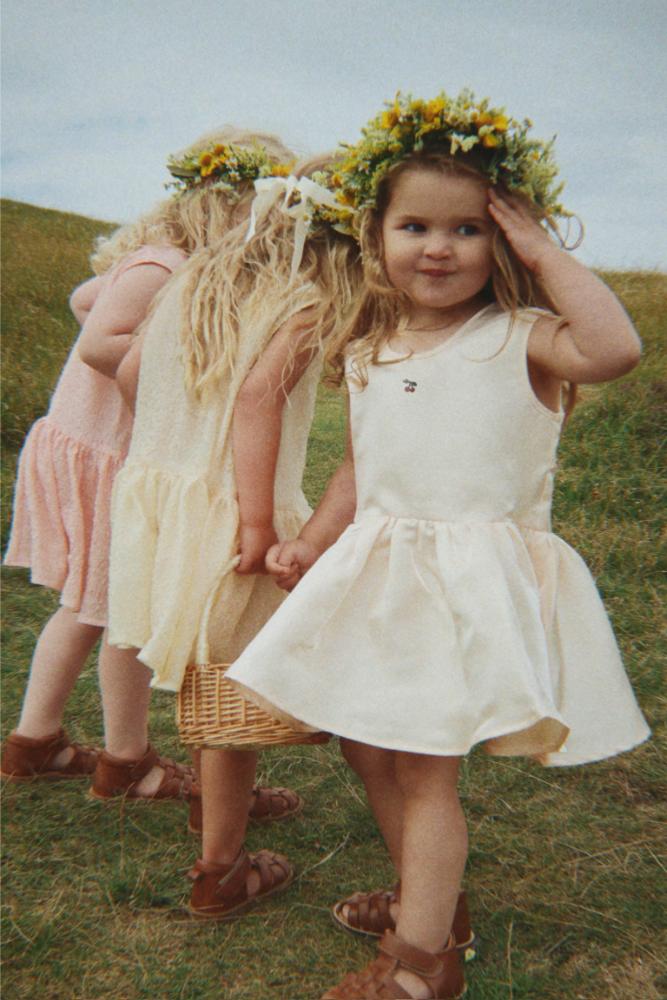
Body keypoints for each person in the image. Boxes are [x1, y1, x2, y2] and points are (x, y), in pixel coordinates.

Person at [226, 91, 651, 999]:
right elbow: (364, 466)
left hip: (464, 585)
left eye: (469, 229)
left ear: (504, 242)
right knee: (365, 746)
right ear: (375, 233)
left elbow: (615, 350)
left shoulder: (521, 339)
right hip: (383, 577)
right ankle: (430, 900)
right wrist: (313, 539)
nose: (438, 248)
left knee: (423, 769)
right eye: (414, 226)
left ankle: (420, 965)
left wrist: (545, 253)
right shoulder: (371, 347)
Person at [1, 128, 299, 822]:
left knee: (88, 603)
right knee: (116, 608)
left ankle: (35, 740)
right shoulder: (166, 266)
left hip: (98, 446)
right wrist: (182, 373)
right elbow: (98, 341)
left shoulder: (160, 262)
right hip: (109, 455)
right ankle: (126, 762)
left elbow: (85, 297)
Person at [105, 147, 362, 916]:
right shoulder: (308, 297)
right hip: (230, 503)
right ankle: (221, 866)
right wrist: (255, 518)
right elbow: (256, 399)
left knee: (204, 669)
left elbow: (129, 373)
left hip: (161, 495)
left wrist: (172, 447)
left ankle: (213, 816)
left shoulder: (195, 278)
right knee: (232, 684)